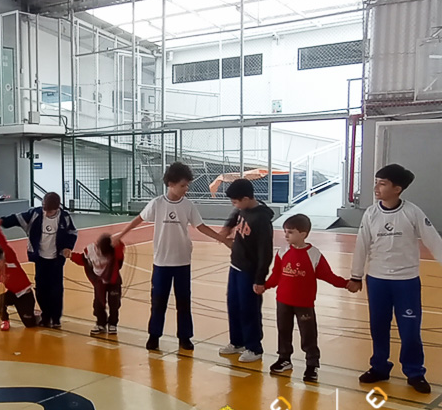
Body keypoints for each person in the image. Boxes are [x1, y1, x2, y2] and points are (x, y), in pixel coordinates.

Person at [113, 162, 229, 351]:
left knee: (184, 302)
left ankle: (185, 337)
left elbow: (201, 226)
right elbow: (138, 220)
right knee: (158, 301)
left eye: (187, 185)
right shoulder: (157, 203)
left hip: (182, 262)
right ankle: (154, 335)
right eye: (183, 185)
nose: (186, 189)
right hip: (161, 263)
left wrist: (222, 239)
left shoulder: (188, 205)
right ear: (171, 184)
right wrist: (120, 235)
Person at [348, 164, 442, 394]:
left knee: (409, 330)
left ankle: (415, 372)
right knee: (378, 326)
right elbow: (362, 245)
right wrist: (356, 275)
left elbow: (433, 240)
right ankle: (379, 367)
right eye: (376, 182)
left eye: (382, 184)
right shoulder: (370, 214)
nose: (376, 188)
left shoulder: (412, 212)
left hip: (406, 281)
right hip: (377, 280)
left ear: (397, 189)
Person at [264, 214, 348, 382]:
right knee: (283, 331)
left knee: (308, 334)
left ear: (303, 234)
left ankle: (312, 364)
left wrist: (346, 284)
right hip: (283, 302)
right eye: (285, 231)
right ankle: (284, 358)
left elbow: (328, 275)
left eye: (290, 232)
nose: (286, 235)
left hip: (304, 304)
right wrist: (264, 286)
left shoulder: (314, 254)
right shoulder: (282, 251)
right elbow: (276, 275)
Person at [0, 193, 77, 328]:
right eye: (44, 209)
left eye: (50, 211)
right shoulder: (35, 214)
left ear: (57, 208)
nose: (46, 213)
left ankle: (56, 318)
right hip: (40, 259)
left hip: (56, 260)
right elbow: (18, 218)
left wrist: (68, 247)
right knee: (41, 289)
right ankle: (46, 316)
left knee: (56, 290)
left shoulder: (65, 218)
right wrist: (2, 221)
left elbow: (72, 233)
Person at [218, 178, 274, 363]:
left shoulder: (261, 219)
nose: (234, 205)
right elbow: (236, 213)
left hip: (249, 271)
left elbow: (265, 252)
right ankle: (237, 342)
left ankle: (254, 347)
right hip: (235, 266)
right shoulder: (243, 209)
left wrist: (260, 279)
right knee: (233, 305)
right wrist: (227, 226)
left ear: (246, 198)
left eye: (235, 201)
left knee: (249, 309)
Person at [69, 233, 125, 335]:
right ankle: (100, 323)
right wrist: (71, 256)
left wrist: (118, 242)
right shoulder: (90, 250)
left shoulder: (114, 251)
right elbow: (83, 259)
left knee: (114, 303)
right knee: (98, 304)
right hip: (99, 282)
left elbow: (120, 255)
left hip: (113, 281)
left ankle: (113, 324)